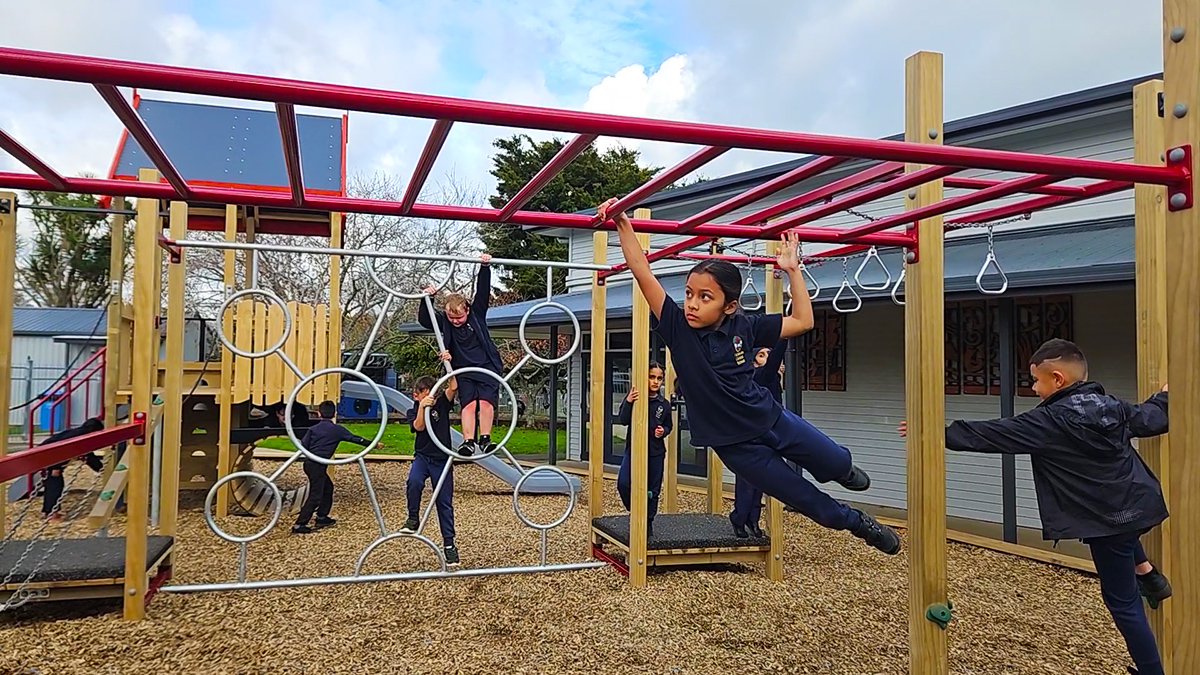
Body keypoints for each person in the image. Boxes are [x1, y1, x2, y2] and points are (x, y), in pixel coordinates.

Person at [600, 197, 900, 556]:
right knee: (804, 498)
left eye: (705, 297)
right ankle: (857, 523)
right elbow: (641, 270)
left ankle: (844, 471)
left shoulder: (747, 325)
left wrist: (792, 270)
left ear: (728, 305)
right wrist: (621, 219)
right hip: (736, 447)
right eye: (690, 294)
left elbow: (803, 321)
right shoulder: (677, 328)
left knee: (837, 463)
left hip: (772, 418)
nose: (692, 303)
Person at [899, 338, 1171, 675]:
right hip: (1139, 505)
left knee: (1123, 602)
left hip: (1106, 519)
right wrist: (1165, 396)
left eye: (1035, 381)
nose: (1033, 387)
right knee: (1125, 539)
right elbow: (1153, 417)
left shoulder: (1049, 423)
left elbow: (994, 434)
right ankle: (1148, 574)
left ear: (1057, 379)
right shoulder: (1112, 406)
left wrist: (934, 433)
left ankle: (1151, 670)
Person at [418, 254, 504, 457]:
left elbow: (482, 292)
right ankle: (468, 441)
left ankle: (485, 437)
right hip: (462, 369)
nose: (455, 321)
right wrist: (427, 299)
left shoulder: (477, 314)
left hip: (486, 366)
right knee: (468, 404)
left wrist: (484, 267)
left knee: (485, 403)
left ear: (467, 310)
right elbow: (425, 320)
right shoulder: (445, 321)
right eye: (451, 317)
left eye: (459, 317)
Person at [401, 370, 460, 567]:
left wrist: (448, 364)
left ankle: (449, 545)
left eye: (431, 393)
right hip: (423, 457)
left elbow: (453, 387)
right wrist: (421, 407)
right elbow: (419, 427)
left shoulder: (441, 404)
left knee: (444, 502)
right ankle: (412, 518)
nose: (429, 398)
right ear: (416, 395)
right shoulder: (413, 410)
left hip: (442, 460)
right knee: (414, 481)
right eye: (424, 394)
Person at [730, 342, 786, 538]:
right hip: (750, 434)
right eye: (762, 355)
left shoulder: (771, 379)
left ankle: (752, 521)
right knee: (747, 482)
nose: (767, 359)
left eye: (768, 354)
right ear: (753, 360)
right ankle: (739, 519)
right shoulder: (755, 375)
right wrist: (784, 336)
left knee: (760, 482)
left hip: (767, 433)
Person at [291, 401, 373, 534]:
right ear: (335, 413)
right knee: (316, 495)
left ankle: (322, 516)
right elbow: (354, 438)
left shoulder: (313, 429)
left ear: (319, 414)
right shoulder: (337, 430)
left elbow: (303, 446)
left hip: (310, 464)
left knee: (327, 488)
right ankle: (300, 524)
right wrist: (372, 444)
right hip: (317, 465)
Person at [615, 362, 673, 538]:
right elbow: (623, 420)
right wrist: (629, 401)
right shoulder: (636, 398)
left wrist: (663, 431)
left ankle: (647, 522)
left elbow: (668, 426)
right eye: (651, 377)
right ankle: (636, 511)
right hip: (633, 450)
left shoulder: (664, 404)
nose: (655, 381)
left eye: (659, 378)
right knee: (624, 483)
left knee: (652, 490)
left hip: (655, 453)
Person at [39, 417, 105, 521]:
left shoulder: (78, 433)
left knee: (53, 484)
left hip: (46, 454)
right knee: (55, 485)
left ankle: (49, 511)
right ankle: (51, 513)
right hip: (49, 456)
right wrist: (55, 467)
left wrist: (99, 467)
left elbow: (87, 455)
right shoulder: (79, 437)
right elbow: (60, 448)